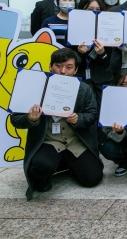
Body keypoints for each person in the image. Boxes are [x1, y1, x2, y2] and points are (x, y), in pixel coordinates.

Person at [10, 48, 103, 200]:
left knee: (92, 179)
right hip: (48, 141)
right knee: (40, 169)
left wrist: (78, 119)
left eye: (68, 67)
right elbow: (15, 119)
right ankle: (47, 173)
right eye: (58, 66)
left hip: (75, 142)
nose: (63, 71)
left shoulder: (84, 89)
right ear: (50, 66)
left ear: (76, 70)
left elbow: (92, 115)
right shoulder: (33, 87)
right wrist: (31, 119)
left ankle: (67, 164)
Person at [74, 0, 114, 108]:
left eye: (97, 10)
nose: (94, 13)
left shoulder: (107, 30)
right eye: (90, 10)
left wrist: (102, 53)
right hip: (81, 78)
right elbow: (70, 62)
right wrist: (80, 53)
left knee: (102, 111)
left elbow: (107, 64)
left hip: (101, 79)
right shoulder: (73, 29)